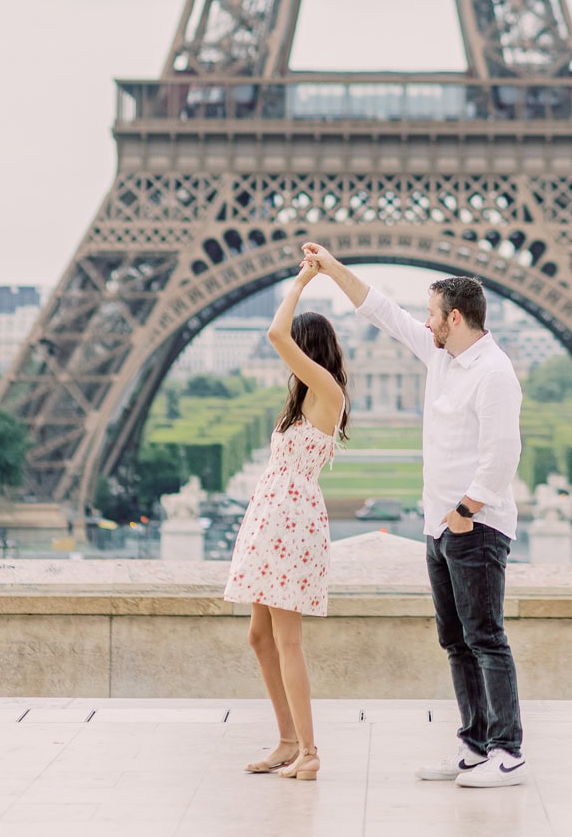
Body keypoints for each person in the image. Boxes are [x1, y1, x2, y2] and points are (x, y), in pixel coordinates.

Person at [301, 242, 527, 789]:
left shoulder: (494, 372)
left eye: (431, 315)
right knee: (456, 641)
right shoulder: (442, 357)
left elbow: (502, 456)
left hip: (473, 525)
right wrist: (332, 269)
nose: (424, 324)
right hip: (440, 526)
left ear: (454, 317)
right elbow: (383, 311)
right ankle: (474, 745)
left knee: (486, 637)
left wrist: (463, 512)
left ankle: (508, 750)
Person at [222, 262, 349, 781]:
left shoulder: (326, 392)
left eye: (295, 350)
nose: (285, 360)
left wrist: (300, 282)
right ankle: (287, 740)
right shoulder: (302, 398)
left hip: (289, 523)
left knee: (287, 639)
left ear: (308, 348)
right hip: (271, 517)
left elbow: (276, 332)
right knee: (259, 635)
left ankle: (310, 750)